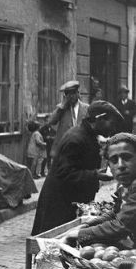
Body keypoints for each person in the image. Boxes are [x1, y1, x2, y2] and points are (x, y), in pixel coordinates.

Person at [31, 100, 123, 235]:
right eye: (112, 123)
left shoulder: (86, 135)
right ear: (99, 119)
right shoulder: (76, 138)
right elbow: (64, 173)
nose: (113, 128)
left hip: (68, 203)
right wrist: (95, 174)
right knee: (51, 247)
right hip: (59, 206)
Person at [63, 132, 136, 269]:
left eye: (127, 157)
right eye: (114, 160)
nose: (120, 165)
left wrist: (78, 234)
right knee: (93, 256)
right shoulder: (125, 185)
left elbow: (121, 225)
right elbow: (117, 213)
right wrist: (91, 224)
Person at [48, 80, 89, 158]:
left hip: (81, 148)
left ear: (78, 93)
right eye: (68, 94)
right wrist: (62, 105)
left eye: (73, 93)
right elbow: (51, 121)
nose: (71, 96)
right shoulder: (61, 109)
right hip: (65, 149)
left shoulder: (86, 108)